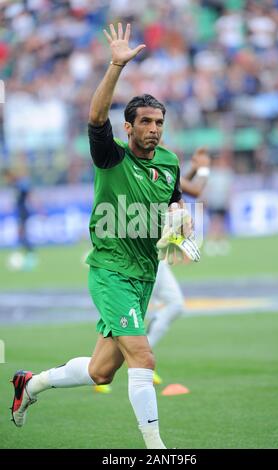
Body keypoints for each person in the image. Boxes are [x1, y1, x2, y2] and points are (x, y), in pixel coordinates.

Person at [11, 23, 187, 450]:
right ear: (128, 128)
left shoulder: (169, 161)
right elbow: (94, 118)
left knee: (101, 372)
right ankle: (157, 450)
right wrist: (115, 66)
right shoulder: (110, 156)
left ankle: (30, 384)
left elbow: (175, 202)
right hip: (110, 271)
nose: (154, 129)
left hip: (145, 273)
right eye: (145, 122)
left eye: (159, 122)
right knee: (143, 357)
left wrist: (182, 223)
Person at [147, 149, 211, 385]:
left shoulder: (160, 159)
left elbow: (176, 182)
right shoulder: (150, 161)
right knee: (127, 319)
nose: (156, 133)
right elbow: (192, 189)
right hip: (147, 253)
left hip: (159, 252)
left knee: (175, 304)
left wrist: (193, 170)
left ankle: (141, 358)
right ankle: (101, 373)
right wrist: (203, 168)